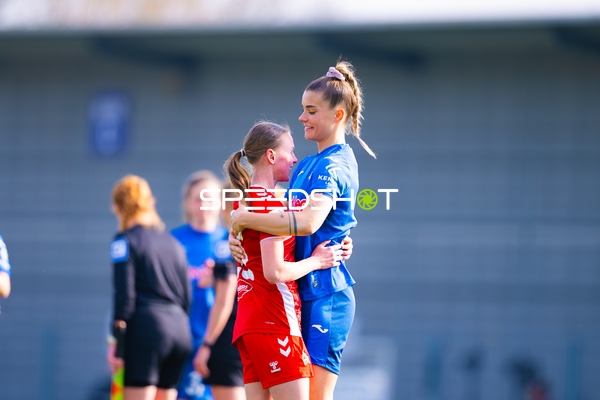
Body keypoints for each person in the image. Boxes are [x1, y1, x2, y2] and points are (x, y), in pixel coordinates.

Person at [230, 61, 375, 400]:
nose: (301, 117)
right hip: (296, 294)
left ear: (338, 115)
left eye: (311, 111)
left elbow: (308, 221)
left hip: (326, 294)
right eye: (302, 109)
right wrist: (235, 232)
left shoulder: (335, 164)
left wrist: (243, 220)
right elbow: (273, 212)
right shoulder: (308, 164)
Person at [224, 121, 343, 400]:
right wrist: (318, 261)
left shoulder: (247, 200)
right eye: (290, 151)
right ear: (271, 155)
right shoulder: (268, 202)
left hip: (250, 323)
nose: (295, 159)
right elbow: (275, 271)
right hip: (274, 320)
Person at [107, 175, 192, 400]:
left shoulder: (124, 241)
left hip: (147, 331)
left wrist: (116, 341)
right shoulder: (174, 244)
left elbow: (125, 297)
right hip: (180, 331)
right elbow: (186, 297)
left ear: (118, 208)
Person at [172, 171, 242, 400]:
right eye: (198, 199)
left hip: (218, 340)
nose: (203, 205)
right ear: (187, 203)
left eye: (209, 198)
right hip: (182, 338)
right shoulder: (173, 241)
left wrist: (219, 278)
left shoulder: (231, 241)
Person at [189, 179, 246, 400]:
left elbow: (224, 300)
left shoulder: (226, 243)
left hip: (230, 340)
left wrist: (207, 344)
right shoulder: (264, 238)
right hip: (259, 336)